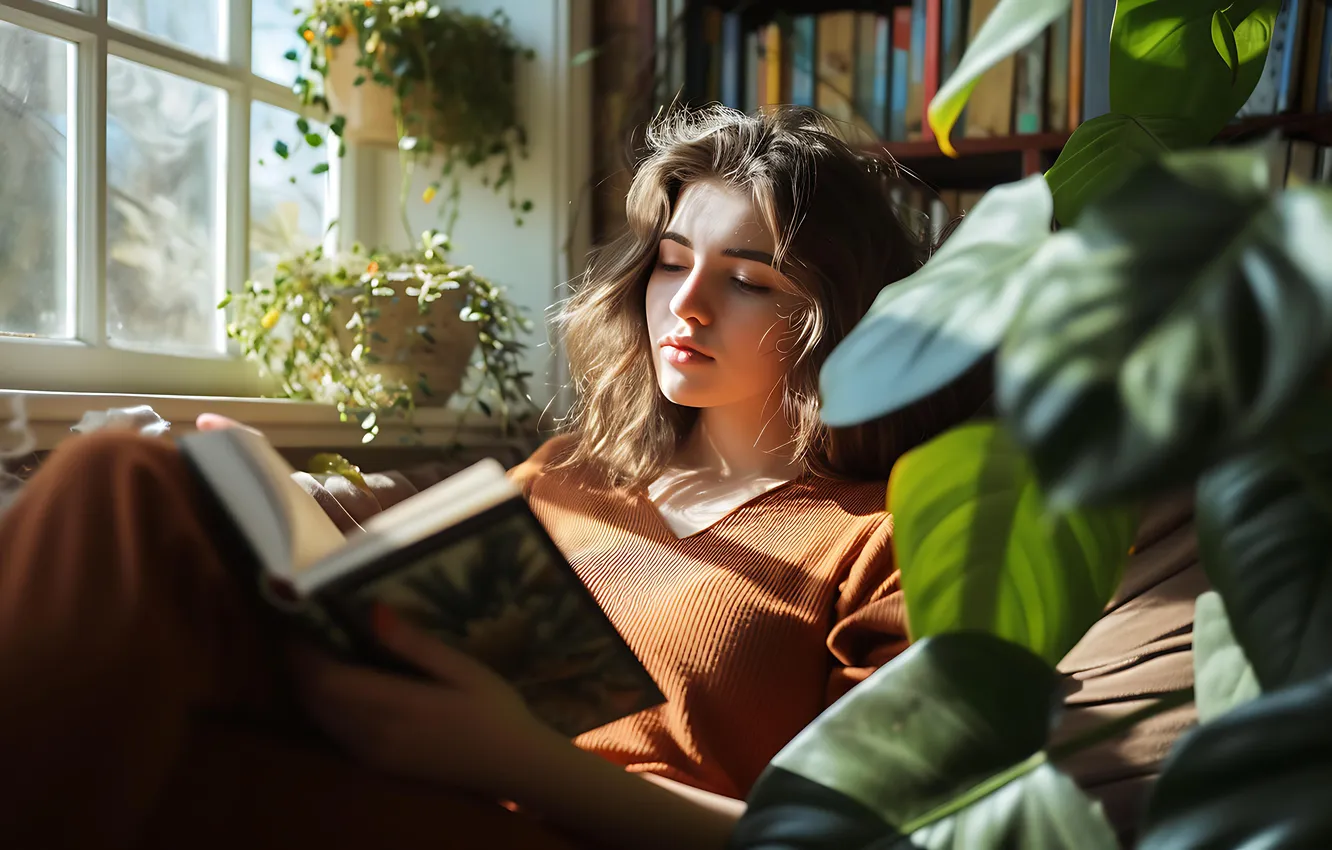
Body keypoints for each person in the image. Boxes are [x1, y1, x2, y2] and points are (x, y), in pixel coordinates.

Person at [0, 105, 985, 849]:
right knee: (124, 480)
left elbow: (864, 840)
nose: (684, 305)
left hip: (553, 824)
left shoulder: (886, 539)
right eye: (671, 262)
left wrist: (516, 757)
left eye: (747, 279)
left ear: (838, 314)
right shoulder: (575, 470)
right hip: (381, 763)